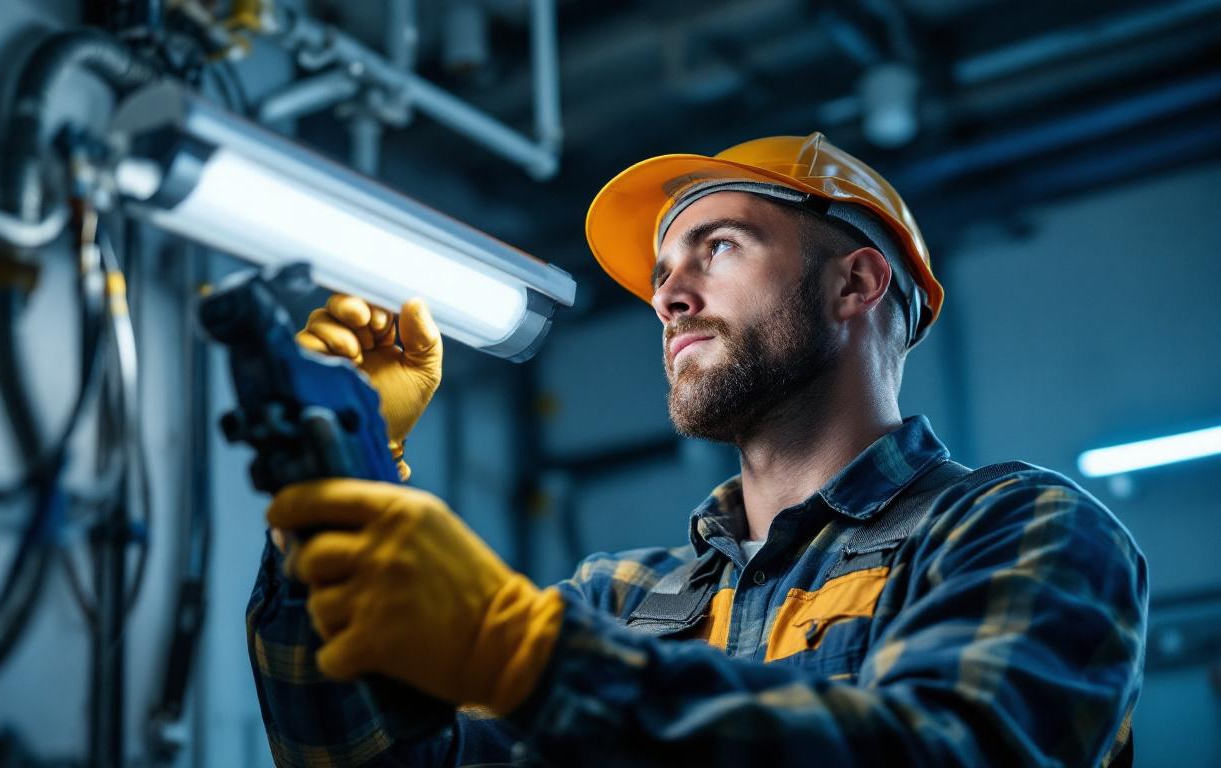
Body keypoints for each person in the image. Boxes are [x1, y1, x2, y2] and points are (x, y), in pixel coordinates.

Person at [249, 133, 1148, 767]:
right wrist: (339, 463)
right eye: (661, 274)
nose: (669, 295)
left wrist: (536, 662)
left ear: (855, 282)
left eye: (718, 247)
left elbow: (946, 751)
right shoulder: (618, 600)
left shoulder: (1018, 530)